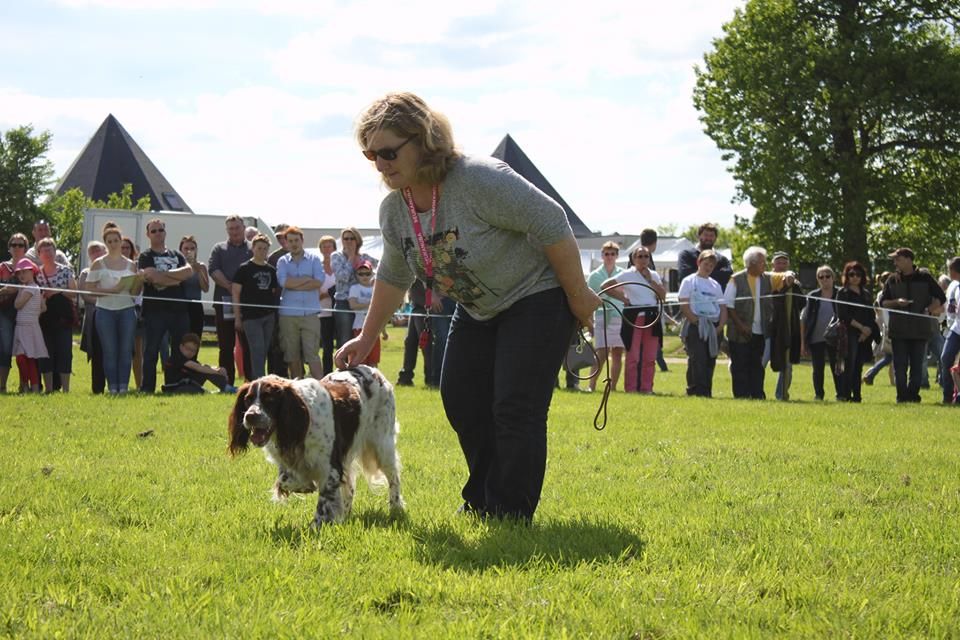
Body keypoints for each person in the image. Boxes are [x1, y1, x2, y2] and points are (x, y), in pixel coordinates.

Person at [338, 92, 599, 521]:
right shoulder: (395, 209)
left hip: (536, 297)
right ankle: (482, 500)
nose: (380, 164)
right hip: (477, 309)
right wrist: (366, 336)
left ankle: (511, 511)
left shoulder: (477, 178)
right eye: (371, 155)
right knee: (461, 398)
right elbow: (393, 274)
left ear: (423, 140)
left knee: (515, 406)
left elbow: (551, 221)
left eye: (388, 152)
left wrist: (577, 296)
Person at [723, 246, 795, 399]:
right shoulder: (735, 279)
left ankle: (757, 395)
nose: (765, 265)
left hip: (760, 331)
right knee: (740, 366)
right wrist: (740, 325)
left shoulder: (767, 278)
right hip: (739, 333)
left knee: (757, 366)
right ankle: (741, 396)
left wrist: (789, 275)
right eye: (762, 262)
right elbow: (728, 306)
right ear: (752, 264)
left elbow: (785, 276)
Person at [878, 248, 945, 403]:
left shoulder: (925, 278)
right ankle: (901, 397)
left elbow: (940, 297)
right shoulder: (892, 280)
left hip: (920, 330)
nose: (895, 262)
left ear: (909, 259)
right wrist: (896, 303)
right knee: (899, 367)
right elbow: (883, 302)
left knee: (917, 367)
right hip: (898, 330)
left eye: (898, 259)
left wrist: (929, 309)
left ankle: (913, 396)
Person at [85, 223, 143, 394]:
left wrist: (138, 280)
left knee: (125, 351)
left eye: (116, 240)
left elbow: (134, 292)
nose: (113, 244)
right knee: (109, 351)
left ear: (120, 241)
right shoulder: (98, 264)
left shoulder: (131, 265)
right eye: (109, 241)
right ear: (106, 243)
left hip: (127, 310)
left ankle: (123, 387)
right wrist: (112, 290)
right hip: (104, 312)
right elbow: (89, 288)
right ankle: (112, 388)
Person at [138, 218, 194, 393]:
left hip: (179, 310)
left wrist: (163, 277)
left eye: (160, 230)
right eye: (153, 231)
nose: (157, 233)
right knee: (151, 351)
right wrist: (174, 279)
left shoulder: (176, 255)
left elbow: (188, 272)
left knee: (179, 351)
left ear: (165, 232)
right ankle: (147, 388)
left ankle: (174, 384)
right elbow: (151, 277)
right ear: (148, 234)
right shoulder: (145, 256)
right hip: (155, 311)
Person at [601, 246, 666, 394]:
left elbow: (662, 296)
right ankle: (630, 388)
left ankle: (647, 388)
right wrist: (624, 299)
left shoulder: (654, 275)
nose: (643, 260)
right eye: (640, 256)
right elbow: (605, 286)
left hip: (652, 315)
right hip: (634, 316)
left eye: (646, 257)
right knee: (633, 355)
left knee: (650, 357)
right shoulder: (627, 274)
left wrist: (650, 281)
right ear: (633, 259)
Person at [208, 215, 253, 386]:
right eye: (231, 229)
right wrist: (231, 287)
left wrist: (241, 291)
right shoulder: (219, 249)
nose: (234, 231)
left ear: (243, 228)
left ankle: (250, 382)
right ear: (227, 230)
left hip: (247, 304)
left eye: (237, 228)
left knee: (248, 345)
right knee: (225, 347)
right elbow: (213, 270)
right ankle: (226, 383)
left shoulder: (252, 248)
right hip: (224, 301)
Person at [276, 226, 324, 379]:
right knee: (292, 355)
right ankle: (297, 388)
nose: (294, 243)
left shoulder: (314, 259)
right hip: (288, 315)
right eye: (290, 241)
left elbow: (318, 282)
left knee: (312, 354)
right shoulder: (282, 261)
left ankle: (320, 387)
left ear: (302, 240)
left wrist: (294, 282)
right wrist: (306, 279)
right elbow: (284, 282)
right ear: (286, 243)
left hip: (310, 313)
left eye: (296, 240)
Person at [677, 249, 727, 397]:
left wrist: (720, 326)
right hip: (695, 325)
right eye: (706, 264)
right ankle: (695, 390)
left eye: (711, 265)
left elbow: (722, 307)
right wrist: (695, 321)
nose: (708, 267)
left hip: (713, 325)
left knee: (710, 359)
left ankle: (706, 391)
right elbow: (684, 303)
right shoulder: (689, 281)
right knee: (697, 358)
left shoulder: (715, 285)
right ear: (699, 263)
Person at [231, 234, 279, 380]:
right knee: (256, 349)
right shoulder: (244, 269)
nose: (262, 251)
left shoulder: (271, 270)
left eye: (265, 248)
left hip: (268, 316)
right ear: (253, 248)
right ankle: (258, 380)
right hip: (251, 317)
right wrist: (238, 317)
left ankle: (258, 378)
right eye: (259, 248)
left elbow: (273, 292)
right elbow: (236, 292)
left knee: (264, 350)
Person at [35, 238, 77, 393]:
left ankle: (66, 389)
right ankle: (49, 388)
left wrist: (57, 291)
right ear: (39, 254)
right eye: (44, 250)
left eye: (50, 250)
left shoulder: (66, 270)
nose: (47, 253)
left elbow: (74, 292)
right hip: (44, 318)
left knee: (65, 352)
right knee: (46, 352)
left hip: (63, 318)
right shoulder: (36, 273)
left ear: (55, 251)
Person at [835, 261, 879, 402]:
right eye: (851, 274)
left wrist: (867, 331)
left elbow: (871, 315)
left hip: (864, 335)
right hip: (849, 333)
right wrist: (860, 328)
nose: (855, 277)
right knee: (849, 365)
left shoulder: (866, 294)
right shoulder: (843, 293)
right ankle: (846, 394)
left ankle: (857, 395)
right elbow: (843, 315)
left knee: (859, 365)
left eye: (858, 274)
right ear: (846, 276)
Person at [587, 241, 625, 391]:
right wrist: (589, 321)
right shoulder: (594, 275)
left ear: (617, 256)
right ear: (602, 255)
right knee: (601, 353)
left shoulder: (622, 274)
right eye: (606, 254)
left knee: (617, 353)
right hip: (602, 315)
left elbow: (625, 294)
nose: (609, 257)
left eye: (612, 254)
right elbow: (590, 299)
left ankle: (613, 387)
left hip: (619, 315)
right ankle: (592, 384)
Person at [331, 227, 377, 349]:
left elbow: (381, 268)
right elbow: (342, 277)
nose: (349, 241)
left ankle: (361, 366)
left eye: (352, 238)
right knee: (345, 338)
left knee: (362, 337)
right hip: (344, 302)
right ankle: (343, 366)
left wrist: (373, 281)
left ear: (358, 241)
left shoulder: (365, 258)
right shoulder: (336, 256)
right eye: (346, 239)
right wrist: (351, 258)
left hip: (363, 303)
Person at [800, 265, 840, 401]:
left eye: (827, 276)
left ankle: (840, 394)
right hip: (816, 337)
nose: (824, 279)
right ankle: (819, 394)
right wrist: (803, 343)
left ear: (833, 277)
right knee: (818, 369)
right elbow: (804, 319)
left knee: (837, 367)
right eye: (821, 277)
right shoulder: (812, 296)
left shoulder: (840, 294)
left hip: (836, 337)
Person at [768, 251, 802, 401]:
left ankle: (781, 394)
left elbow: (802, 304)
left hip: (787, 328)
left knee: (787, 364)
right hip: (768, 327)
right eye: (778, 262)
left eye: (784, 262)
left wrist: (793, 286)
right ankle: (755, 392)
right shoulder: (766, 280)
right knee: (761, 361)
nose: (781, 265)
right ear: (773, 264)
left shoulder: (794, 283)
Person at [12, 258, 47, 392]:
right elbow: (43, 308)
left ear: (32, 272)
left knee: (30, 359)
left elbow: (17, 305)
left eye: (24, 272)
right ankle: (26, 385)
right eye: (19, 273)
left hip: (29, 328)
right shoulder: (29, 288)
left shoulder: (31, 288)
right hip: (21, 326)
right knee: (21, 358)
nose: (21, 275)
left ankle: (33, 387)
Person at [0, 233, 29, 392]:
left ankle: (23, 385)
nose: (17, 248)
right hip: (4, 313)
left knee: (23, 350)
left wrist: (15, 289)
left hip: (25, 313)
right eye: (14, 245)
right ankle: (2, 385)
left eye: (20, 245)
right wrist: (6, 290)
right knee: (4, 349)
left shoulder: (29, 267)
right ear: (9, 248)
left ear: (25, 248)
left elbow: (33, 287)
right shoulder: (2, 267)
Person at [78, 240, 108, 394]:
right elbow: (85, 295)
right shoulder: (85, 273)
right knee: (97, 354)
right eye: (92, 251)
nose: (96, 254)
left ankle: (115, 386)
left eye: (99, 250)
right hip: (94, 318)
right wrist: (105, 301)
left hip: (113, 316)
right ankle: (97, 388)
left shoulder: (112, 270)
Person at [162, 332, 236, 394]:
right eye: (188, 348)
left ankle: (226, 388)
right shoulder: (176, 358)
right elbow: (198, 368)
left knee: (206, 369)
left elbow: (202, 367)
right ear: (181, 346)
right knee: (201, 376)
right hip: (175, 387)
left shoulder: (190, 359)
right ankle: (221, 390)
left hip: (187, 384)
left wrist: (219, 369)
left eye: (193, 351)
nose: (190, 352)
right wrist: (217, 372)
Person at [121, 237, 146, 389]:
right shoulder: (113, 265)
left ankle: (139, 385)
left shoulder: (137, 267)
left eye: (127, 248)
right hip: (116, 309)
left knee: (137, 353)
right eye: (122, 247)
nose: (124, 250)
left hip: (136, 311)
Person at [677, 222, 734, 289]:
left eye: (711, 235)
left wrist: (699, 273)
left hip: (715, 297)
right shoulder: (686, 255)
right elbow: (685, 275)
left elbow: (727, 277)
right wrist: (717, 274)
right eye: (706, 235)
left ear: (715, 238)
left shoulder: (722, 259)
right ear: (699, 236)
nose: (708, 238)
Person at [396, 280, 431, 387]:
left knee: (426, 345)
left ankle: (430, 378)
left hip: (425, 308)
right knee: (410, 342)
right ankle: (405, 377)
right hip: (415, 307)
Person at [863, 272, 895, 387]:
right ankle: (870, 375)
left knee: (889, 358)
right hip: (889, 329)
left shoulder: (880, 295)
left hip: (886, 328)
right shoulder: (884, 295)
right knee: (889, 358)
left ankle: (871, 375)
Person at [348, 260, 380, 366]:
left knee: (374, 359)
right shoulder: (354, 288)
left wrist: (383, 331)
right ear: (356, 275)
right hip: (359, 327)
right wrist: (371, 304)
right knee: (359, 359)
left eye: (367, 273)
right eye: (361, 274)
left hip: (375, 328)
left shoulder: (377, 289)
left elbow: (380, 310)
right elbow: (353, 305)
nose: (364, 276)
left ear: (372, 273)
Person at [179, 235, 210, 338]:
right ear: (181, 250)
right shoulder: (177, 266)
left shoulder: (201, 266)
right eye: (186, 248)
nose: (189, 251)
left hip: (195, 306)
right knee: (180, 339)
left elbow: (205, 288)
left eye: (192, 248)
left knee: (195, 338)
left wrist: (199, 271)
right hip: (180, 306)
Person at [317, 235, 338, 376]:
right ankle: (327, 373)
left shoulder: (339, 266)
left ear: (334, 248)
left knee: (342, 343)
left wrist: (330, 293)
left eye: (329, 246)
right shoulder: (317, 268)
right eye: (324, 246)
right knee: (327, 346)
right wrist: (325, 294)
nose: (327, 249)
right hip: (323, 312)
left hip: (339, 311)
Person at [940, 257, 960, 404]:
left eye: (950, 269)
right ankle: (947, 395)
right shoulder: (953, 285)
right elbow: (950, 307)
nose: (949, 272)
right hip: (956, 328)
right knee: (946, 357)